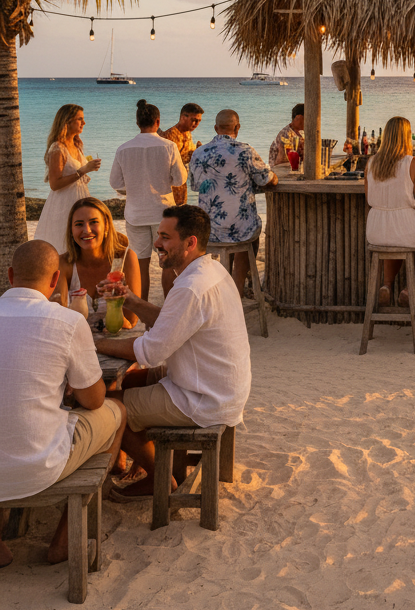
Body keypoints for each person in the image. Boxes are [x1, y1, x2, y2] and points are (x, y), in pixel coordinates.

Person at [94, 206, 251, 498]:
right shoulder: (211, 269)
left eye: (165, 237)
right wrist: (130, 300)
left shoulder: (191, 287)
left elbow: (149, 352)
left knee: (111, 407)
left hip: (205, 398)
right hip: (218, 383)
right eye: (158, 236)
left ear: (190, 243)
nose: (156, 244)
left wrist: (93, 343)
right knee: (128, 382)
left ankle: (160, 477)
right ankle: (143, 460)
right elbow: (172, 323)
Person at [0, 241, 126, 567]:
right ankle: (65, 538)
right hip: (37, 468)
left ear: (10, 275)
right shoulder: (67, 321)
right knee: (117, 412)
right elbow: (94, 399)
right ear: (56, 280)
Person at [188, 109, 277, 297]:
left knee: (239, 230)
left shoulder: (198, 153)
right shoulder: (245, 151)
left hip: (208, 231)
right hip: (240, 230)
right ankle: (236, 292)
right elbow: (268, 180)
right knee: (248, 233)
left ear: (215, 128)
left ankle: (223, 287)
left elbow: (196, 186)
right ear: (237, 127)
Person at [109, 99, 186, 303]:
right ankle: (168, 308)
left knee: (141, 267)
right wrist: (164, 180)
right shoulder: (168, 146)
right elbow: (180, 179)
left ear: (137, 123)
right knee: (167, 262)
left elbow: (115, 182)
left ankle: (143, 312)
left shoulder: (123, 149)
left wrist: (133, 189)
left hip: (136, 214)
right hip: (163, 213)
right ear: (158, 121)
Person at [365, 117, 415, 306]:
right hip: (405, 227)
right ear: (406, 137)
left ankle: (386, 285)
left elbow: (369, 198)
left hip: (375, 231)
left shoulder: (371, 163)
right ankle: (408, 289)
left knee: (392, 239)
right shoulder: (412, 162)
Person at [55, 197, 142, 328]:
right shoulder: (63, 263)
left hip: (116, 343)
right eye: (79, 224)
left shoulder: (125, 259)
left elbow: (131, 321)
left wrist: (115, 300)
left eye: (93, 222)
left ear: (106, 225)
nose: (87, 230)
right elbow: (59, 319)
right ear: (71, 230)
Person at [34, 104, 101, 251]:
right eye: (80, 119)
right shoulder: (58, 148)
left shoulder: (76, 145)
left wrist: (89, 168)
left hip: (81, 198)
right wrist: (83, 170)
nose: (84, 123)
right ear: (67, 121)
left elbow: (79, 173)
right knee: (65, 244)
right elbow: (54, 184)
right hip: (64, 203)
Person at [159, 102, 204, 205]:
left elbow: (185, 156)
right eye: (194, 120)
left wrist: (198, 152)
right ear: (183, 117)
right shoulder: (171, 136)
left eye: (199, 121)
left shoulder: (187, 133)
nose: (196, 124)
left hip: (181, 186)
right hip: (169, 189)